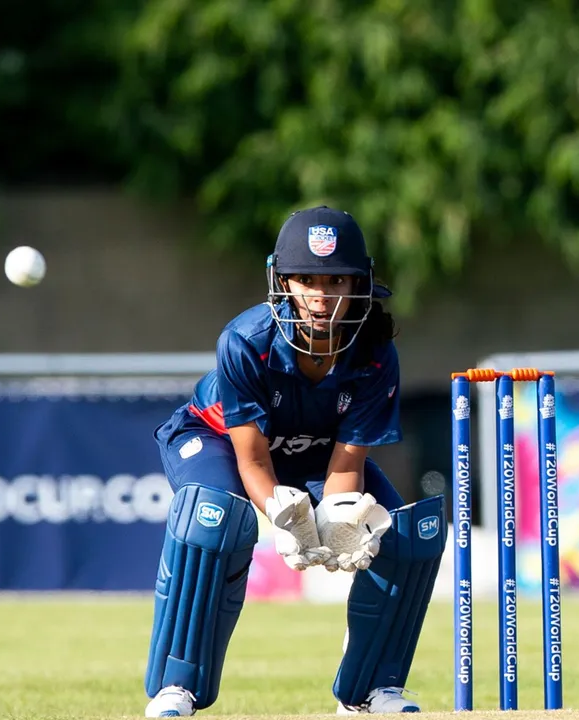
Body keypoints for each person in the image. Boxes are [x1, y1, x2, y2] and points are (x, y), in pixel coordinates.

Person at [143, 206, 446, 717]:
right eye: (306, 280)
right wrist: (288, 523)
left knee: (403, 538)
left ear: (360, 285)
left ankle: (371, 691)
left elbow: (347, 465)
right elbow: (254, 460)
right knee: (210, 520)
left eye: (336, 280)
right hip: (218, 439)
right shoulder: (245, 342)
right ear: (282, 282)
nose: (321, 296)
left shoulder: (374, 352)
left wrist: (339, 515)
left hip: (318, 450)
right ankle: (178, 688)